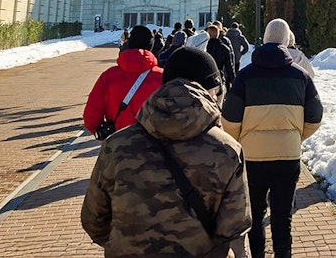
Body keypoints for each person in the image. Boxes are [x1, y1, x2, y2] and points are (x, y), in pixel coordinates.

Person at [82, 46, 251, 257]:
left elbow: (94, 221)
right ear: (211, 91)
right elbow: (234, 227)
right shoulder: (227, 150)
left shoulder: (117, 145)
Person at [221, 19, 323, 258]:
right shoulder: (301, 76)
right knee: (282, 215)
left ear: (265, 39)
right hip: (288, 156)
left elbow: (230, 119)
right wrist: (296, 136)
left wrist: (243, 141)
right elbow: (315, 116)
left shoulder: (245, 75)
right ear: (287, 41)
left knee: (255, 215)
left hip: (253, 158)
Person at [83, 25, 164, 138]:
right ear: (151, 46)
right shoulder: (162, 76)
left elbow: (91, 115)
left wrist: (100, 131)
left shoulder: (108, 76)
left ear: (129, 43)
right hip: (154, 145)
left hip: (117, 142)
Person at [204, 24, 236, 90]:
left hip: (205, 79)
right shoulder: (224, 49)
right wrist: (234, 82)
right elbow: (229, 67)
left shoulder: (204, 47)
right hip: (219, 78)